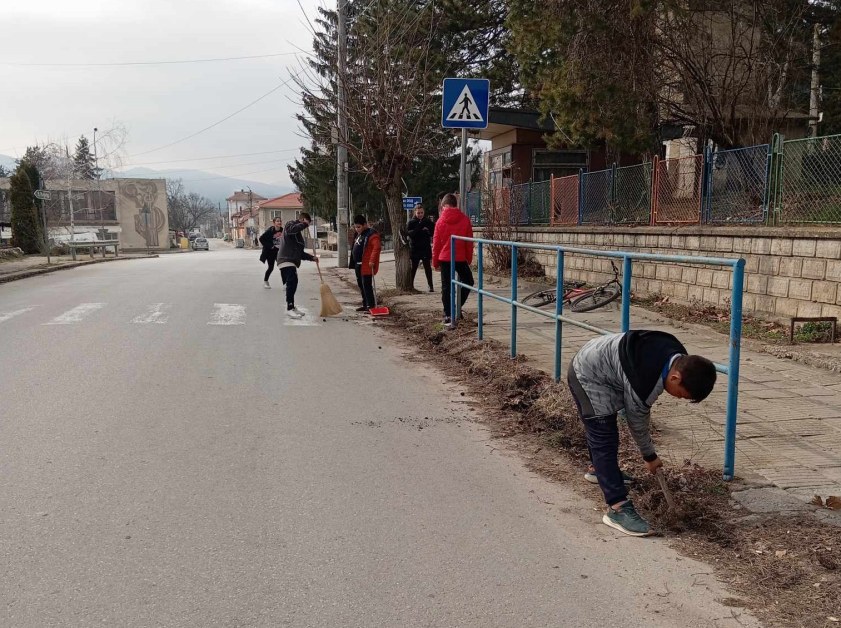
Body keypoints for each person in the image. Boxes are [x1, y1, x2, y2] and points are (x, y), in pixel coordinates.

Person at [566, 330, 717, 537]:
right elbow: (637, 421)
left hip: (603, 360)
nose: (679, 399)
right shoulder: (644, 380)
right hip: (588, 374)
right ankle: (617, 507)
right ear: (675, 377)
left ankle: (598, 470)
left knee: (604, 430)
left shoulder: (678, 355)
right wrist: (650, 456)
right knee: (604, 435)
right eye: (681, 395)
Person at [431, 193, 474, 325]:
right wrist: (469, 258)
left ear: (444, 206)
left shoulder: (440, 222)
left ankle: (448, 314)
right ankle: (457, 307)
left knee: (446, 287)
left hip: (444, 258)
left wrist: (435, 262)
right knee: (468, 281)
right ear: (456, 205)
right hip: (460, 258)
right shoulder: (465, 220)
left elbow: (436, 243)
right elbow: (469, 243)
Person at [277, 212, 319, 318]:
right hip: (286, 259)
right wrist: (304, 224)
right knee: (291, 282)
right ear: (302, 220)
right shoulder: (290, 224)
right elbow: (291, 230)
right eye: (307, 224)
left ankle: (292, 306)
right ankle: (289, 308)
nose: (306, 227)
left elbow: (300, 253)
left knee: (294, 283)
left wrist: (312, 258)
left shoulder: (298, 236)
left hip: (291, 260)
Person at [350, 214, 381, 312]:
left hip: (367, 265)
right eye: (355, 227)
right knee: (361, 285)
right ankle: (365, 304)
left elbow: (376, 248)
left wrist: (372, 260)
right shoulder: (359, 234)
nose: (357, 229)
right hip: (358, 264)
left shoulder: (372, 234)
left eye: (359, 227)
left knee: (366, 285)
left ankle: (371, 305)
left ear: (365, 224)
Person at [407, 203, 434, 292]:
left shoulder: (427, 221)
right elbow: (411, 234)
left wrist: (427, 231)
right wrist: (420, 227)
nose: (420, 215)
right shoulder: (411, 222)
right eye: (418, 213)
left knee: (427, 268)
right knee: (413, 268)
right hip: (415, 248)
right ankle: (410, 285)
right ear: (415, 212)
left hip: (425, 247)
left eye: (421, 213)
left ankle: (431, 286)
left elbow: (433, 232)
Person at [258, 217, 284, 288]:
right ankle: (266, 282)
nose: (279, 222)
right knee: (271, 268)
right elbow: (261, 239)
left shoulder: (283, 231)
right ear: (274, 223)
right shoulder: (270, 231)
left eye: (280, 221)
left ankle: (285, 284)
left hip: (279, 252)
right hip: (270, 253)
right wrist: (270, 246)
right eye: (277, 221)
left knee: (282, 267)